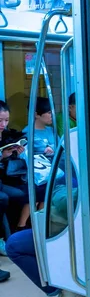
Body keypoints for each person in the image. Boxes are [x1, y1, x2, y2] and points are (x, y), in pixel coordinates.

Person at [6, 156, 86, 297]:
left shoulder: (79, 154)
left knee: (14, 245)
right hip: (75, 223)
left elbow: (68, 202)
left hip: (71, 228)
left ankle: (68, 291)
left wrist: (54, 188)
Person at [0, 100, 27, 271]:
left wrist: (12, 153)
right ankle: (5, 240)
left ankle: (15, 235)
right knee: (2, 199)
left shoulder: (6, 135)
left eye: (6, 120)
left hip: (2, 181)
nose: (3, 125)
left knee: (20, 194)